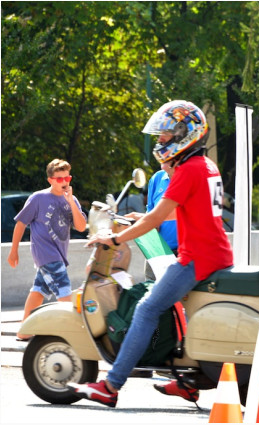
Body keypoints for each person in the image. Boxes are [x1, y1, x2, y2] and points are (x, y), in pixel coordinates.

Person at [68, 100, 233, 408]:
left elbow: (156, 219)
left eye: (165, 135)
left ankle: (110, 385)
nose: (160, 141)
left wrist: (116, 237)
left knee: (146, 309)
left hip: (195, 257)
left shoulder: (187, 169)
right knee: (183, 311)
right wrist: (134, 219)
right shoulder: (206, 165)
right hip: (216, 252)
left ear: (185, 133)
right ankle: (191, 381)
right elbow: (175, 211)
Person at [7, 159, 87, 341]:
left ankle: (24, 330)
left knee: (38, 291)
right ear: (50, 180)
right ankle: (72, 332)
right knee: (64, 290)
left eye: (67, 178)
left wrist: (71, 203)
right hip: (45, 254)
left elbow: (81, 227)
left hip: (59, 254)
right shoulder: (38, 198)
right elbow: (20, 224)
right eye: (59, 179)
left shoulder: (71, 199)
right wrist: (14, 251)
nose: (64, 182)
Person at [126, 165, 178, 280]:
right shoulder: (157, 178)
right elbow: (152, 219)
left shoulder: (186, 179)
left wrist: (117, 238)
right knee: (148, 292)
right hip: (157, 252)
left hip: (182, 254)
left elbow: (156, 217)